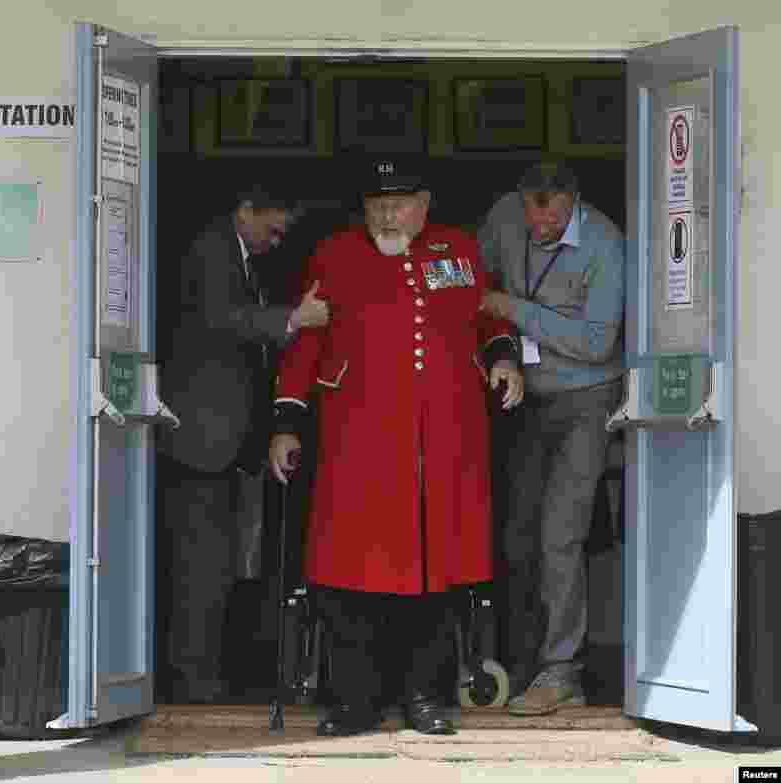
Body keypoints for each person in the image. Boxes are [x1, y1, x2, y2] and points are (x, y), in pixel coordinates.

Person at [268, 159, 524, 737]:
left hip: (442, 446)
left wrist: (505, 357)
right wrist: (287, 419)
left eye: (400, 202)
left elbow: (486, 317)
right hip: (356, 444)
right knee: (347, 580)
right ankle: (354, 702)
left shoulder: (458, 249)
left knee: (433, 582)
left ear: (426, 203)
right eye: (376, 203)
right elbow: (307, 342)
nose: (387, 214)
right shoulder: (334, 254)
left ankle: (425, 699)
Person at [156, 185, 330, 704]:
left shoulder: (239, 254)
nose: (276, 243)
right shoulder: (211, 249)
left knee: (220, 566)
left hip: (227, 442)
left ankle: (206, 671)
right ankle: (193, 679)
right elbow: (221, 318)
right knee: (201, 568)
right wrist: (293, 320)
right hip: (201, 441)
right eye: (272, 230)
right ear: (245, 209)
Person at [477, 161, 626, 716]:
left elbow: (593, 341)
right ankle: (519, 661)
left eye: (554, 219)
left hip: (587, 398)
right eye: (532, 217)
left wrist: (513, 309)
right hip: (521, 394)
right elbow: (476, 277)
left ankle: (562, 669)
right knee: (514, 533)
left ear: (575, 202)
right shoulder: (504, 217)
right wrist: (502, 347)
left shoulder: (607, 244)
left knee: (560, 535)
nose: (540, 230)